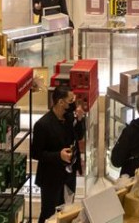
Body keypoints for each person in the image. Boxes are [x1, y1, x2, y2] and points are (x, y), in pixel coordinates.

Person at [31, 85, 86, 223]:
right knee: (49, 213)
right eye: (70, 100)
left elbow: (79, 136)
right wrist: (58, 155)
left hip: (69, 175)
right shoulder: (42, 125)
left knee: (67, 211)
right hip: (51, 178)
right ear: (61, 102)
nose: (73, 102)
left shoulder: (68, 118)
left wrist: (79, 120)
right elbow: (36, 153)